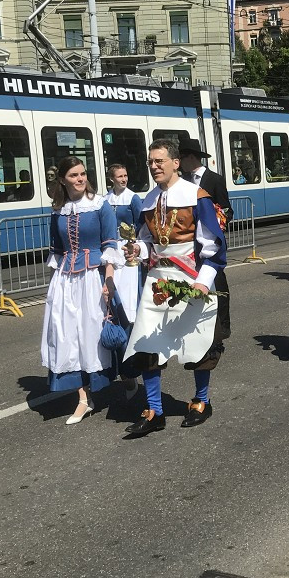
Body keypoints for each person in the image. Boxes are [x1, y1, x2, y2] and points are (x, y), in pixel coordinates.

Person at [121, 139, 226, 434]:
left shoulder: (196, 195)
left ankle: (201, 401)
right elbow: (146, 240)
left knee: (197, 340)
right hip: (157, 279)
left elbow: (213, 245)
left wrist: (204, 282)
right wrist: (137, 251)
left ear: (175, 163)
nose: (154, 166)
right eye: (150, 162)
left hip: (191, 277)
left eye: (159, 161)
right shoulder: (148, 199)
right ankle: (155, 410)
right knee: (148, 341)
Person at [42, 156, 122, 425]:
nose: (80, 179)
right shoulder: (58, 211)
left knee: (96, 334)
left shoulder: (100, 206)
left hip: (93, 276)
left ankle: (128, 378)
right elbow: (56, 250)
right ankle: (83, 398)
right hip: (65, 280)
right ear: (63, 179)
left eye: (83, 174)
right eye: (74, 175)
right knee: (68, 336)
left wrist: (108, 282)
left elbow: (111, 243)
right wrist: (53, 289)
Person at [177, 137, 232, 366]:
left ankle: (222, 328)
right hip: (190, 247)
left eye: (181, 158)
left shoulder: (214, 179)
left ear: (190, 157)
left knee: (217, 283)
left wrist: (218, 220)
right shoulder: (181, 182)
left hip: (209, 242)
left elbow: (227, 208)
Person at [103, 164, 144, 388]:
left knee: (127, 299)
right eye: (119, 176)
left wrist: (133, 242)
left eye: (126, 175)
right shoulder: (105, 200)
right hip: (112, 251)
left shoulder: (133, 198)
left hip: (128, 252)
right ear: (112, 179)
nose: (124, 179)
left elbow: (140, 224)